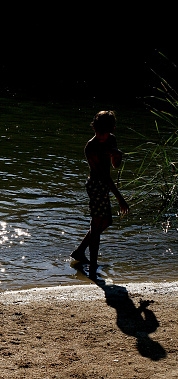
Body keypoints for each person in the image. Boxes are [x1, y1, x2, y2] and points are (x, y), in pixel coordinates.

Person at [71, 110, 129, 280]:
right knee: (96, 225)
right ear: (94, 128)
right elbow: (104, 175)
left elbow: (115, 166)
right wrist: (120, 198)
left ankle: (80, 251)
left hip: (104, 185)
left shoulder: (111, 139)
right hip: (96, 185)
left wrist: (118, 156)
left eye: (105, 132)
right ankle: (93, 266)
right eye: (99, 132)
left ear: (111, 130)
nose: (102, 136)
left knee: (106, 221)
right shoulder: (91, 147)